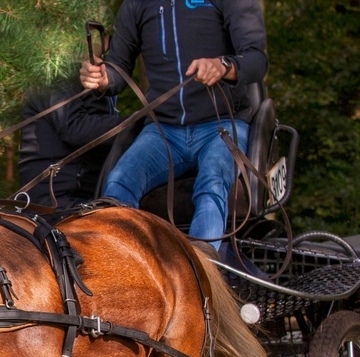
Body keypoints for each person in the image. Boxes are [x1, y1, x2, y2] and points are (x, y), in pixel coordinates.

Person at [79, 0, 267, 249]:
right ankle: (120, 270)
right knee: (118, 183)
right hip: (162, 130)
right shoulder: (136, 5)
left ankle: (204, 274)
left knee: (212, 182)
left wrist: (223, 66)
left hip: (221, 125)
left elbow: (256, 60)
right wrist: (103, 78)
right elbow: (118, 69)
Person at [18, 77, 123, 212]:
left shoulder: (91, 79)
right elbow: (75, 128)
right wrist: (137, 123)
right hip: (54, 202)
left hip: (84, 197)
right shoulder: (54, 75)